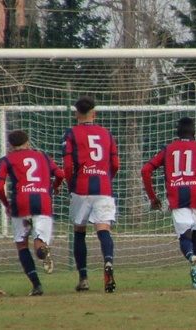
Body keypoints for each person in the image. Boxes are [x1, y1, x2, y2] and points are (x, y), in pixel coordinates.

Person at [141, 117, 196, 289]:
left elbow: (146, 170)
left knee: (185, 236)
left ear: (177, 133)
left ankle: (191, 256)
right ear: (194, 132)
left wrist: (153, 197)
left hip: (177, 195)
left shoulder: (168, 149)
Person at [0, 130, 64, 296]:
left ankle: (36, 285)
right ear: (27, 142)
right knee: (39, 240)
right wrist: (55, 187)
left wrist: (6, 204)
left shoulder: (7, 160)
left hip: (20, 202)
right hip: (42, 200)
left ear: (10, 145)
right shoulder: (42, 156)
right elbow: (60, 174)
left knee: (22, 243)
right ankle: (42, 250)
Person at [62, 96, 120, 293]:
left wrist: (71, 184)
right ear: (94, 113)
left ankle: (84, 278)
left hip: (81, 188)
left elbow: (68, 166)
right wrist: (106, 177)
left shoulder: (71, 134)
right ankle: (109, 262)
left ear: (77, 113)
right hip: (103, 187)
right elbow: (116, 164)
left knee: (80, 232)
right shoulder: (107, 134)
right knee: (103, 229)